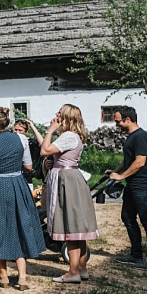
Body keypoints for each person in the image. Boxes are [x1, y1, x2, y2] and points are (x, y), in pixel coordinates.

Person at [0, 106, 45, 290]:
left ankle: (4, 276)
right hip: (18, 184)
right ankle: (22, 277)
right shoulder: (21, 139)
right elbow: (29, 165)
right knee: (19, 225)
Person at [40, 105, 99, 283]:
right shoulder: (73, 136)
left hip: (66, 180)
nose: (56, 114)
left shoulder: (68, 136)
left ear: (66, 117)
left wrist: (50, 131)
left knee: (70, 226)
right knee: (76, 224)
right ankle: (81, 268)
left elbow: (44, 150)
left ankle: (73, 272)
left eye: (59, 112)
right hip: (71, 176)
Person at [109, 106, 147, 271]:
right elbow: (129, 160)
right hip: (133, 185)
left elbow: (140, 161)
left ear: (128, 119)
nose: (116, 124)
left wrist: (121, 177)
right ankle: (136, 254)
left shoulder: (140, 136)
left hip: (143, 186)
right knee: (127, 217)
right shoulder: (131, 137)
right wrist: (116, 172)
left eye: (118, 121)